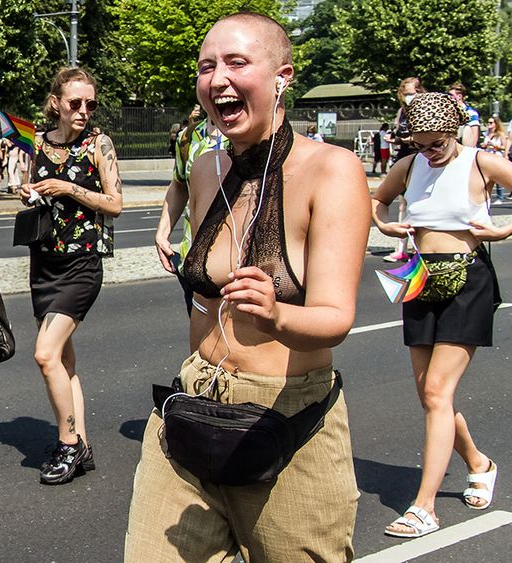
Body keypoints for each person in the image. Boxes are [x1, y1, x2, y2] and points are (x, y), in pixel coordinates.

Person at [125, 13, 369, 562]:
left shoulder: (333, 170)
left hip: (286, 422)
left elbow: (335, 316)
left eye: (237, 63)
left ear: (282, 76)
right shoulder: (207, 167)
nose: (218, 79)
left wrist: (277, 315)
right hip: (192, 405)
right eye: (207, 66)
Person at [371, 92, 512, 538]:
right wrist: (385, 225)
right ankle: (479, 464)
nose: (428, 151)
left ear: (455, 129)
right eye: (420, 143)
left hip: (469, 278)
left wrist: (504, 229)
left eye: (436, 142)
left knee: (438, 391)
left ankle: (424, 508)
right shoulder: (408, 165)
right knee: (429, 395)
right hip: (418, 276)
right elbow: (377, 202)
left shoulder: (482, 162)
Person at [18, 66, 123, 485]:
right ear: (56, 103)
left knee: (45, 354)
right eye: (76, 103)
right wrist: (28, 193)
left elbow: (115, 204)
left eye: (90, 104)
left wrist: (68, 188)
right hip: (44, 263)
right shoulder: (37, 142)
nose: (84, 111)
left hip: (82, 264)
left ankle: (68, 444)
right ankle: (82, 442)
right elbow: (28, 188)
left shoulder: (99, 143)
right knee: (64, 360)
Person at [155, 107, 224, 328]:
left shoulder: (254, 135)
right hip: (193, 263)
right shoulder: (188, 136)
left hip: (239, 266)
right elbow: (179, 184)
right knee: (202, 349)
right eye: (206, 71)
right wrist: (162, 233)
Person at [386, 77, 425, 262]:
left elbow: (423, 137)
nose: (409, 97)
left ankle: (421, 248)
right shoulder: (402, 111)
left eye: (412, 93)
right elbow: (398, 132)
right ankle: (401, 247)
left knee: (420, 202)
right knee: (403, 203)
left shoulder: (424, 110)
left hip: (421, 157)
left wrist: (402, 140)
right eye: (406, 94)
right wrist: (393, 138)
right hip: (404, 157)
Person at [481, 116, 507, 202]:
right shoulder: (486, 134)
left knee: (498, 178)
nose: (489, 124)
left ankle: (500, 197)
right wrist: (484, 145)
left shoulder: (500, 134)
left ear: (496, 124)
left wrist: (495, 146)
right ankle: (486, 198)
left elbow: (504, 147)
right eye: (488, 122)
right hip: (488, 156)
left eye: (491, 123)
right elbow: (485, 145)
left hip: (497, 156)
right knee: (487, 179)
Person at [448, 81, 480, 148]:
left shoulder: (470, 113)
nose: (448, 98)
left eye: (451, 95)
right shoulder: (448, 113)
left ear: (459, 96)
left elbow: (474, 135)